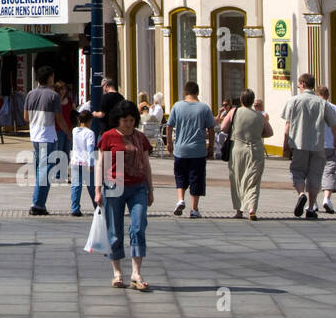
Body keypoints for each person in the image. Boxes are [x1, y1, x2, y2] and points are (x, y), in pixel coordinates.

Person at [95, 100, 154, 290]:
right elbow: (100, 163)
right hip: (114, 187)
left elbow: (146, 164)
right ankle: (117, 273)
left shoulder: (140, 138)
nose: (128, 124)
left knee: (138, 227)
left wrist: (150, 189)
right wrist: (97, 189)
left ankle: (136, 273)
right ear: (117, 120)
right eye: (125, 121)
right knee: (115, 230)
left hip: (138, 187)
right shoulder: (108, 137)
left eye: (131, 120)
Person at [281, 73, 336, 220]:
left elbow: (287, 126)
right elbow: (334, 124)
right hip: (317, 144)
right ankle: (311, 208)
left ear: (302, 84)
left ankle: (301, 194)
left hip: (298, 143)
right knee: (315, 174)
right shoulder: (322, 103)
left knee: (297, 170)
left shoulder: (293, 101)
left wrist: (285, 145)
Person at [165, 81, 215, 218]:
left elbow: (169, 126)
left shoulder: (177, 106)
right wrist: (211, 146)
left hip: (180, 149)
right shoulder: (204, 108)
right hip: (198, 150)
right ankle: (194, 209)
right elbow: (211, 128)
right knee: (196, 178)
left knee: (180, 175)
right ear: (197, 92)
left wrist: (169, 142)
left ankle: (180, 199)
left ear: (185, 92)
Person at [224, 88, 272, 221]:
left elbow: (223, 127)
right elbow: (269, 132)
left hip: (237, 150)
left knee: (237, 179)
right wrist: (256, 133)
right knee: (253, 181)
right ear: (252, 101)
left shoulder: (234, 111)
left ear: (240, 100)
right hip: (255, 150)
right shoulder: (259, 115)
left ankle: (239, 211)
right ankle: (252, 209)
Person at [25, 66, 61, 216]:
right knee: (45, 172)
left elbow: (25, 117)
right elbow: (59, 118)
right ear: (50, 77)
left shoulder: (30, 94)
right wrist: (69, 132)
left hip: (35, 136)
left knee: (41, 169)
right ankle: (38, 204)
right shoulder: (53, 95)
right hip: (48, 136)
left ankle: (38, 203)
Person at [316, 86, 336, 213]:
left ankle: (313, 202)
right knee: (329, 171)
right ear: (328, 95)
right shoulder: (333, 107)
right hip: (329, 144)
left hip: (313, 144)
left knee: (313, 172)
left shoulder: (313, 105)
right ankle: (327, 199)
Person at [69, 111, 97, 216]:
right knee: (92, 186)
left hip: (75, 161)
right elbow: (90, 149)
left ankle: (75, 208)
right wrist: (91, 163)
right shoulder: (90, 133)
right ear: (90, 121)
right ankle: (97, 207)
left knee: (76, 185)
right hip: (86, 162)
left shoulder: (74, 130)